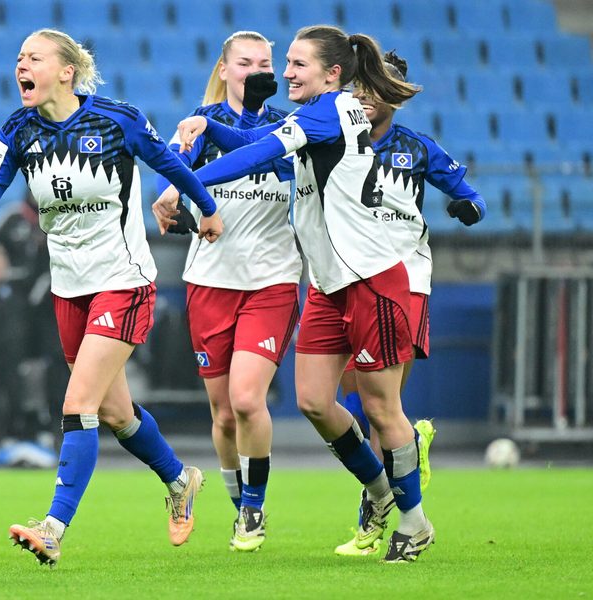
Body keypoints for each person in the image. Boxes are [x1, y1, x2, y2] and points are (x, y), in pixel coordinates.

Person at [0, 28, 223, 567]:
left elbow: (170, 164)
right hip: (69, 288)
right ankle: (180, 480)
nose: (21, 66)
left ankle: (52, 528)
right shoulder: (18, 130)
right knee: (117, 413)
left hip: (122, 281)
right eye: (19, 58)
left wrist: (207, 208)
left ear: (66, 71)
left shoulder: (117, 120)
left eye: (34, 57)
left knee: (78, 405)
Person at [157, 25, 434, 563]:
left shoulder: (329, 112)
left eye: (297, 64)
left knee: (381, 408)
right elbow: (254, 146)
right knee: (313, 401)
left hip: (371, 278)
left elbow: (258, 154)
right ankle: (380, 490)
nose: (285, 73)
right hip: (330, 285)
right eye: (284, 62)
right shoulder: (318, 114)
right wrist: (206, 130)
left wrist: (187, 184)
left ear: (332, 74)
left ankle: (414, 522)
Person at [151, 31, 301, 553]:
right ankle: (240, 507)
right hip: (210, 282)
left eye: (264, 63)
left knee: (247, 399)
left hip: (272, 280)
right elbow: (170, 170)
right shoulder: (197, 122)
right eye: (244, 62)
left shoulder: (290, 126)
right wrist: (170, 195)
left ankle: (254, 508)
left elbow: (283, 165)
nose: (255, 71)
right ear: (224, 69)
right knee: (222, 413)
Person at [331, 49, 485, 554]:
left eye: (376, 89)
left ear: (395, 96)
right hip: (347, 279)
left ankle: (381, 519)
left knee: (381, 406)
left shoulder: (416, 149)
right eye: (358, 87)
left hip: (404, 283)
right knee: (356, 401)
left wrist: (467, 206)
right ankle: (405, 453)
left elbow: (471, 194)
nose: (364, 97)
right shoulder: (333, 142)